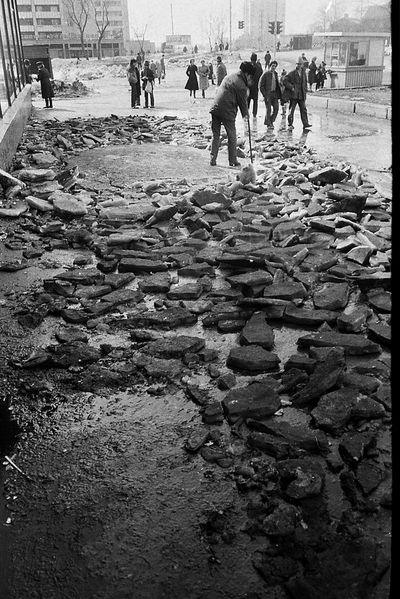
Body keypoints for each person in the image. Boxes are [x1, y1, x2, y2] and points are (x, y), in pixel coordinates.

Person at [209, 61, 255, 168]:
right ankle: (233, 160)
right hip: (227, 111)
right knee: (232, 136)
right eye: (250, 77)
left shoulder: (229, 76)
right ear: (247, 74)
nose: (250, 80)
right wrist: (246, 116)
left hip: (215, 108)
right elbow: (243, 104)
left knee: (215, 135)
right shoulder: (241, 85)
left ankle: (213, 159)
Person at [283, 58, 312, 130]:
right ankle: (290, 124)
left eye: (300, 64)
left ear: (302, 65)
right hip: (294, 95)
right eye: (298, 64)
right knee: (291, 110)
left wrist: (305, 90)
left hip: (301, 94)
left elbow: (305, 83)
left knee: (304, 109)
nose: (299, 66)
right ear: (296, 64)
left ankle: (305, 123)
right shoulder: (292, 73)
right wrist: (291, 87)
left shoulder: (303, 73)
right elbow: (285, 81)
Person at [259, 59, 282, 129]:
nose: (273, 67)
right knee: (268, 110)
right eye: (272, 66)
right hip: (268, 94)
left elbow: (277, 85)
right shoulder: (266, 74)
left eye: (275, 66)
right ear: (270, 66)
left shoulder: (276, 74)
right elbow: (261, 85)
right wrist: (265, 94)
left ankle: (270, 121)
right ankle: (269, 124)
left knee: (276, 108)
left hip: (274, 94)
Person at [247, 52, 263, 118]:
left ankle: (246, 113)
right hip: (256, 86)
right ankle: (254, 114)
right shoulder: (259, 67)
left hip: (249, 86)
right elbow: (261, 73)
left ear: (251, 59)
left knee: (248, 100)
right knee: (255, 101)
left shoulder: (248, 66)